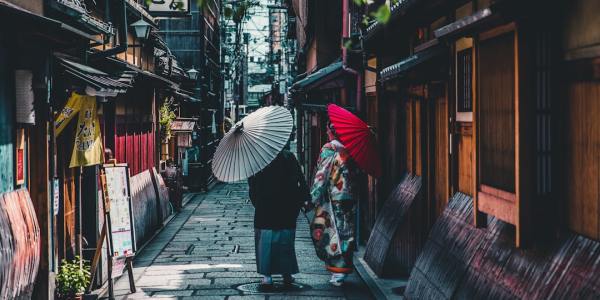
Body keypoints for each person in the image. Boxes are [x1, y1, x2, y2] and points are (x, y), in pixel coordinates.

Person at [248, 148, 310, 289]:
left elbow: (252, 183)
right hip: (286, 205)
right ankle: (286, 273)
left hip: (266, 206)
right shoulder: (289, 156)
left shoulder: (258, 157)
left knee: (265, 241)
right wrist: (303, 197)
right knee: (286, 240)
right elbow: (300, 178)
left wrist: (257, 200)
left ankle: (267, 276)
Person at [307, 122, 357, 287]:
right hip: (347, 198)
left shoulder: (329, 148)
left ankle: (337, 271)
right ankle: (341, 270)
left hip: (332, 199)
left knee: (331, 232)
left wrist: (313, 197)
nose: (327, 132)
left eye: (328, 129)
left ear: (331, 132)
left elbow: (322, 175)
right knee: (346, 233)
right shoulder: (348, 149)